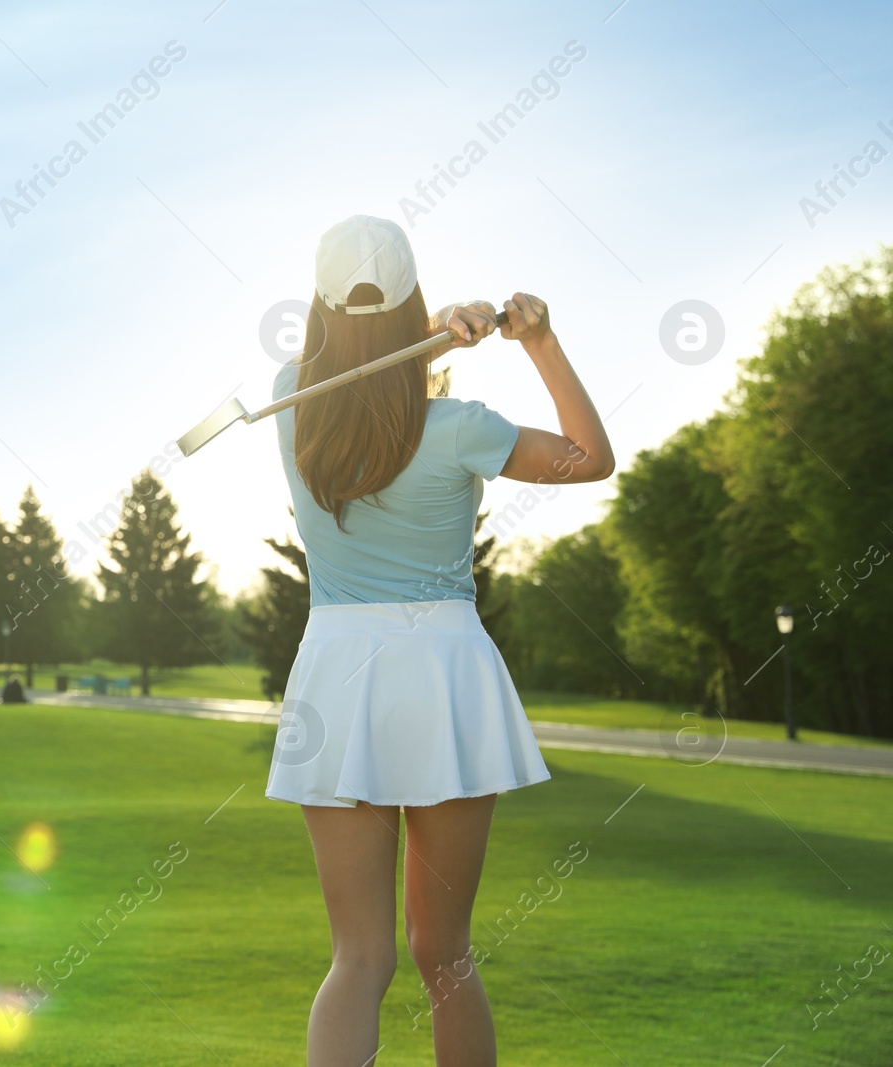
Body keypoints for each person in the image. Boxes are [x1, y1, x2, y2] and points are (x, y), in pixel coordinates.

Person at [264, 215, 614, 1066]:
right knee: (444, 953)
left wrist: (424, 335)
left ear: (318, 304)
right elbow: (589, 457)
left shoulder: (290, 401)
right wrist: (539, 340)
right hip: (443, 670)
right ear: (413, 297)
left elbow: (355, 373)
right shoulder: (461, 426)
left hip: (338, 673)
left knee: (358, 957)